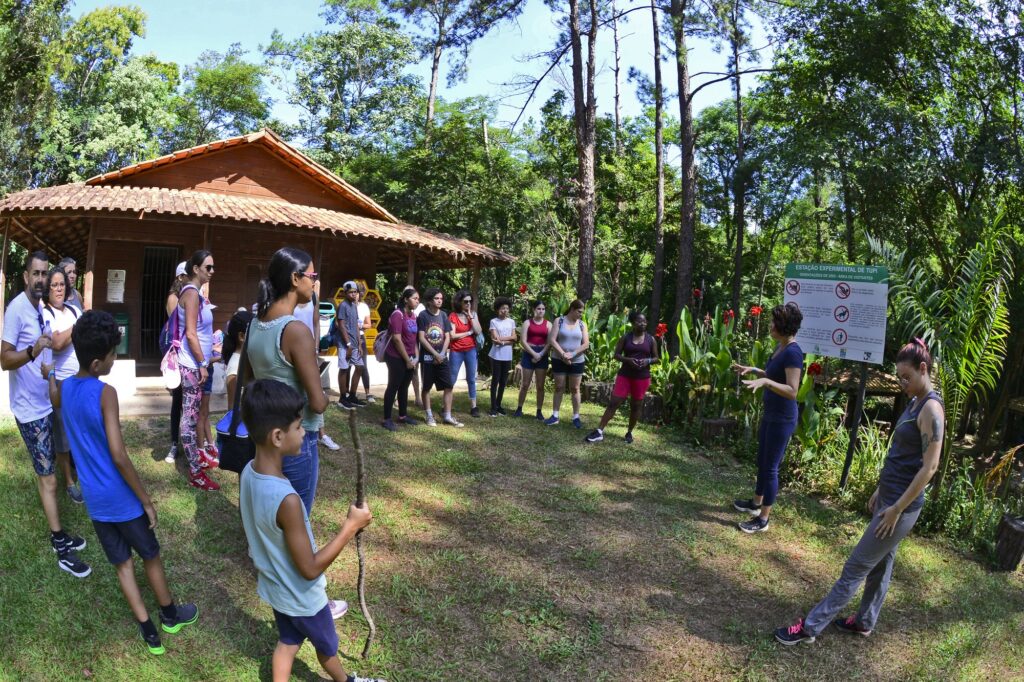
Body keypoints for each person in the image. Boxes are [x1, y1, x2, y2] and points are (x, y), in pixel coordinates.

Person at [44, 311, 199, 655]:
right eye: (114, 353)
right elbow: (118, 454)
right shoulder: (106, 393)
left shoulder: (66, 389)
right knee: (151, 555)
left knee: (122, 564)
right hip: (122, 499)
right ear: (98, 362)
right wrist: (145, 499)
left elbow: (54, 394)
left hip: (96, 503)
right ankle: (170, 616)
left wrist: (51, 374)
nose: (116, 357)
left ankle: (149, 632)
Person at [774, 339, 944, 645]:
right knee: (881, 563)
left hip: (901, 506)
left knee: (855, 567)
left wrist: (896, 509)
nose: (902, 383)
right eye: (899, 378)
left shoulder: (931, 409)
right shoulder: (915, 401)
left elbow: (929, 469)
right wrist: (882, 489)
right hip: (890, 498)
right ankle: (865, 621)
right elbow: (904, 456)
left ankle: (810, 627)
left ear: (923, 369)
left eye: (906, 377)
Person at [238, 379, 382, 682]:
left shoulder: (249, 473)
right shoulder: (287, 500)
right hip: (303, 598)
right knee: (327, 646)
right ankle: (347, 681)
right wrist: (350, 526)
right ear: (278, 436)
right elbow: (309, 568)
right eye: (300, 427)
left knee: (288, 641)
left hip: (277, 590)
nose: (305, 433)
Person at [0, 251, 89, 577]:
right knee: (48, 478)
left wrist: (49, 374)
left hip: (45, 401)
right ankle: (60, 545)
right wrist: (31, 352)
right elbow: (4, 359)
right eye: (35, 274)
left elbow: (47, 355)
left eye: (44, 274)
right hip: (29, 410)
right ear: (25, 276)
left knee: (47, 472)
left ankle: (60, 535)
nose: (40, 280)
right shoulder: (17, 310)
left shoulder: (41, 309)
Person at [247, 247, 330, 514]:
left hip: (263, 437)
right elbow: (317, 404)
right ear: (295, 279)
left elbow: (248, 383)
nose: (315, 282)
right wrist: (325, 394)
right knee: (297, 515)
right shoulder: (295, 331)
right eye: (312, 275)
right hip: (297, 438)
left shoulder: (254, 325)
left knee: (271, 510)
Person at [731, 302, 804, 533]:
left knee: (771, 467)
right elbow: (773, 375)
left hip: (783, 418)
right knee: (762, 461)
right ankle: (755, 503)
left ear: (785, 326)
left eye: (774, 322)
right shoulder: (781, 347)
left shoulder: (793, 352)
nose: (771, 325)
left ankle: (763, 519)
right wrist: (754, 370)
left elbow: (792, 390)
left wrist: (765, 382)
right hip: (771, 414)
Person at [176, 250, 220, 490]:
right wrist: (203, 364)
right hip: (192, 365)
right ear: (195, 269)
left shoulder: (197, 294)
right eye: (208, 267)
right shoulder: (191, 294)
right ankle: (195, 471)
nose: (212, 271)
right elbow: (191, 334)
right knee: (189, 418)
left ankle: (196, 461)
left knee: (192, 415)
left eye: (213, 267)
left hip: (196, 363)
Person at [585, 310, 658, 445]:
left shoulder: (650, 339)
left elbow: (656, 358)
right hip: (625, 375)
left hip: (642, 378)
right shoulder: (626, 337)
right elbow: (616, 355)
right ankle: (599, 431)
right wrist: (628, 360)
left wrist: (647, 361)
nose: (642, 324)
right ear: (633, 323)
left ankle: (629, 432)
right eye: (639, 322)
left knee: (636, 406)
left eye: (644, 322)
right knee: (614, 402)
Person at [42, 266, 83, 503]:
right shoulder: (45, 313)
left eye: (61, 285)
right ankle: (69, 481)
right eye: (53, 285)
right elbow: (56, 342)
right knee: (62, 434)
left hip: (79, 379)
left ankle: (81, 472)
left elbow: (80, 337)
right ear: (47, 290)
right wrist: (76, 328)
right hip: (59, 381)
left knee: (78, 429)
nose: (58, 288)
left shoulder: (72, 310)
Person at [293, 284, 341, 452]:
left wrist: (314, 349)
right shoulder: (289, 297)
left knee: (315, 391)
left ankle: (321, 434)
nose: (313, 281)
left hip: (309, 352)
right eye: (310, 276)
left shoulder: (313, 297)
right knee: (297, 391)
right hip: (292, 351)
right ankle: (296, 430)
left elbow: (316, 323)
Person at [417, 287, 462, 427]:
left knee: (448, 385)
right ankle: (429, 415)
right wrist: (435, 354)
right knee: (426, 387)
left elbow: (448, 335)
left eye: (441, 298)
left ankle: (447, 415)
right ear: (430, 301)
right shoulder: (423, 316)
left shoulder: (443, 315)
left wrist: (442, 353)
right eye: (437, 298)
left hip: (442, 357)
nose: (439, 301)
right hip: (428, 358)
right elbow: (422, 338)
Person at [545, 299, 590, 428]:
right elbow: (552, 340)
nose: (581, 314)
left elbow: (586, 344)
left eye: (582, 312)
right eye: (579, 312)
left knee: (575, 389)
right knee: (559, 387)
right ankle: (555, 416)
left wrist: (573, 354)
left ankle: (576, 417)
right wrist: (563, 354)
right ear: (572, 309)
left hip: (577, 360)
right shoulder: (559, 321)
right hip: (559, 359)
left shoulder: (582, 324)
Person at [382, 287, 420, 432]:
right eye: (414, 298)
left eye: (418, 299)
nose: (417, 301)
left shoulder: (413, 316)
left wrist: (415, 357)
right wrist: (407, 360)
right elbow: (397, 340)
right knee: (393, 386)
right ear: (406, 299)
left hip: (410, 357)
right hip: (396, 357)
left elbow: (414, 338)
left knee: (404, 386)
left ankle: (403, 416)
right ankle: (386, 419)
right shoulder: (397, 315)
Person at [164, 262, 189, 465]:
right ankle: (174, 443)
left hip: (190, 357)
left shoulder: (192, 295)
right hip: (178, 356)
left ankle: (190, 442)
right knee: (177, 402)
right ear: (180, 277)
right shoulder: (174, 298)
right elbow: (178, 328)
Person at [514, 300, 551, 419]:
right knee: (525, 384)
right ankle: (519, 408)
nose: (541, 311)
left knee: (540, 386)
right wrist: (534, 354)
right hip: (529, 353)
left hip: (543, 354)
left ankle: (539, 411)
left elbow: (550, 343)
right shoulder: (527, 323)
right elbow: (523, 341)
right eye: (539, 309)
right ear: (534, 310)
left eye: (543, 309)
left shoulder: (548, 324)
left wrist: (540, 354)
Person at [448, 290, 482, 418]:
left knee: (471, 378)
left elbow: (478, 331)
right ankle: (447, 406)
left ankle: (474, 406)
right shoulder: (453, 316)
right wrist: (468, 333)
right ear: (459, 302)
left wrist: (471, 316)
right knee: (452, 378)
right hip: (456, 350)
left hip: (471, 350)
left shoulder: (473, 314)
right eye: (465, 301)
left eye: (470, 301)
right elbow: (452, 335)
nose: (468, 304)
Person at [336, 281, 367, 411]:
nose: (353, 294)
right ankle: (343, 398)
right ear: (345, 293)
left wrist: (359, 343)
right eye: (351, 292)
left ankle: (352, 395)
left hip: (355, 343)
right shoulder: (342, 306)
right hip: (345, 344)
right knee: (344, 369)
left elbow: (355, 324)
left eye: (355, 292)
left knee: (360, 367)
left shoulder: (354, 305)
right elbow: (341, 325)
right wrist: (348, 344)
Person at [487, 296, 517, 417]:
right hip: (495, 355)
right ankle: (493, 407)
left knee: (503, 382)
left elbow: (515, 338)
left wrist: (503, 341)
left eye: (506, 308)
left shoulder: (511, 322)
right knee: (495, 380)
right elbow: (495, 339)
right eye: (502, 308)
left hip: (507, 355)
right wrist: (509, 338)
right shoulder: (493, 321)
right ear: (497, 309)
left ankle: (499, 405)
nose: (504, 310)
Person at [356, 283, 374, 402]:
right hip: (348, 338)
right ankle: (346, 392)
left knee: (363, 366)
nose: (357, 295)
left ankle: (368, 393)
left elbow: (369, 324)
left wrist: (360, 325)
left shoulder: (363, 307)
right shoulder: (346, 305)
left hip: (361, 338)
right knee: (347, 367)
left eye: (360, 292)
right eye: (356, 292)